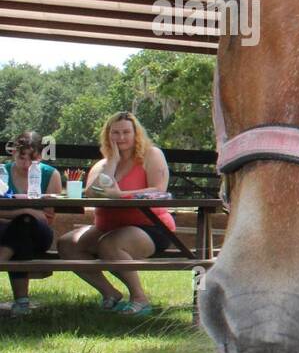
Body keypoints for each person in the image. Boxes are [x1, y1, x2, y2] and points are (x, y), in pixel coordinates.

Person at [57, 111, 176, 316]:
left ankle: (140, 298)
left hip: (150, 226)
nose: (121, 137)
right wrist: (112, 162)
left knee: (109, 244)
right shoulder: (101, 165)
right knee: (67, 244)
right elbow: (92, 192)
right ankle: (110, 293)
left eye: (126, 132)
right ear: (107, 135)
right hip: (107, 227)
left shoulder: (151, 155)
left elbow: (158, 189)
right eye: (115, 133)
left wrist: (120, 195)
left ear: (136, 134)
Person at [0, 131, 63, 316]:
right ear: (13, 153)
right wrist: (24, 211)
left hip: (39, 234)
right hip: (6, 231)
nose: (26, 164)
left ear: (41, 155)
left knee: (25, 225)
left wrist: (18, 216)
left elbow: (47, 217)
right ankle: (22, 302)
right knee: (22, 228)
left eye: (32, 159)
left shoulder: (51, 174)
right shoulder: (2, 173)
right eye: (22, 158)